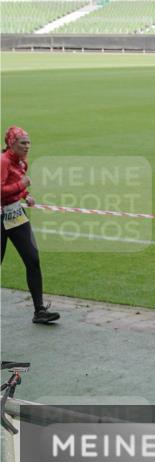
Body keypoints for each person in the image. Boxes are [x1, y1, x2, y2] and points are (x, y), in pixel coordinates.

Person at [2, 126, 59, 324]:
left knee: (33, 259)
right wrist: (22, 186)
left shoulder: (21, 163)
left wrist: (26, 195)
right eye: (23, 143)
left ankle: (40, 311)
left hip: (16, 215)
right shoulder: (2, 161)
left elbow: (17, 181)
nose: (27, 146)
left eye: (28, 142)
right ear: (11, 144)